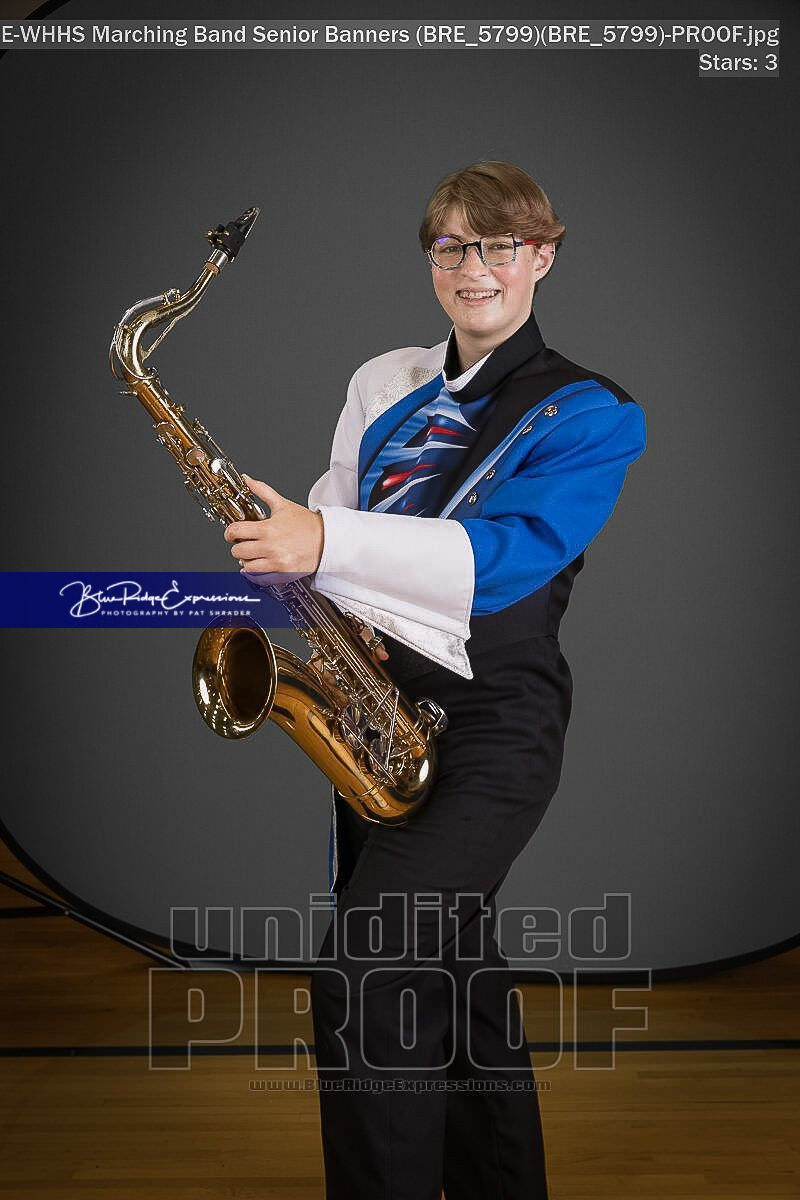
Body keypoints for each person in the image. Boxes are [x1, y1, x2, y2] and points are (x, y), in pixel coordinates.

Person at [224, 161, 646, 1199]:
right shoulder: (383, 381)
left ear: (541, 257)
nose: (473, 267)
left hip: (495, 724)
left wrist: (321, 540)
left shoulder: (592, 412)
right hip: (379, 716)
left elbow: (508, 554)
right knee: (457, 984)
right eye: (450, 246)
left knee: (368, 971)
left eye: (499, 244)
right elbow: (328, 522)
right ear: (430, 262)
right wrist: (296, 573)